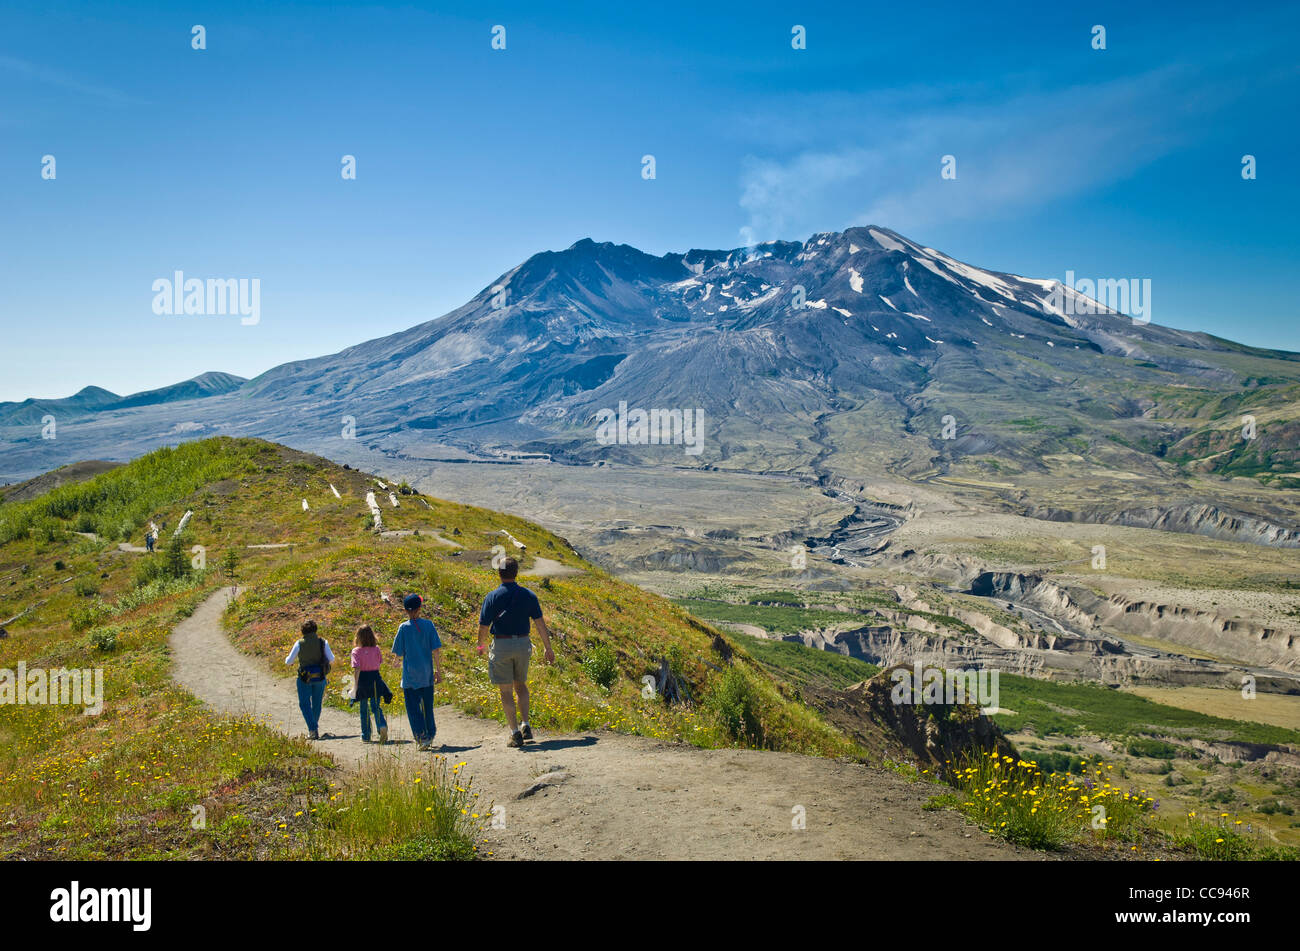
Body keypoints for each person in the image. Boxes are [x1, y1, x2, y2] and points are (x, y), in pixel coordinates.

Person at [477, 558, 555, 748]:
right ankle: (526, 724)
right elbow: (539, 623)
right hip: (523, 644)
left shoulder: (492, 597)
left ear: (499, 573)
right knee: (521, 685)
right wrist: (548, 647)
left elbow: (483, 626)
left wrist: (481, 646)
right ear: (516, 572)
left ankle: (514, 733)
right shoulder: (529, 596)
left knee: (505, 691)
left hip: (502, 645)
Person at [391, 594, 442, 750]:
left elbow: (398, 653)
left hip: (410, 676)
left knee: (413, 709)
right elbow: (436, 650)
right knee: (427, 707)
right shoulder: (429, 625)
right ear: (420, 608)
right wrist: (438, 671)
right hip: (426, 674)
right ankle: (430, 733)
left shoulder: (403, 628)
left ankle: (421, 737)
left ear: (405, 610)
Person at [285, 620, 334, 740]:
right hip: (320, 676)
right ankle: (313, 728)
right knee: (317, 704)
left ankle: (312, 729)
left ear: (303, 631)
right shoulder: (323, 642)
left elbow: (289, 661)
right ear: (315, 630)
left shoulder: (299, 643)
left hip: (304, 677)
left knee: (304, 704)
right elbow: (331, 658)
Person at [350, 625, 390, 743]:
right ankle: (381, 725)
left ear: (358, 637)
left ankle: (366, 735)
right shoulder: (376, 649)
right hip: (375, 679)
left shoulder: (356, 651)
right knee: (375, 706)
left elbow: (357, 669)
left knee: (363, 708)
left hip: (363, 680)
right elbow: (379, 663)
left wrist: (355, 685)